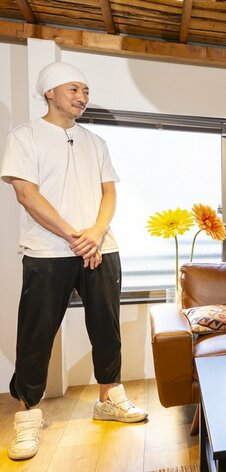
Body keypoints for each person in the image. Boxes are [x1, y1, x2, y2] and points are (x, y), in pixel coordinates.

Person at [0, 62, 147, 461]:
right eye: (74, 89)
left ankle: (108, 399)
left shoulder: (95, 142)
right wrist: (73, 236)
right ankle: (27, 416)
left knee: (106, 327)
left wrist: (96, 233)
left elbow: (109, 193)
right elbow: (26, 195)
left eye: (86, 91)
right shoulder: (25, 136)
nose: (83, 97)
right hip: (47, 251)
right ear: (49, 92)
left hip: (101, 247)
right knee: (36, 335)